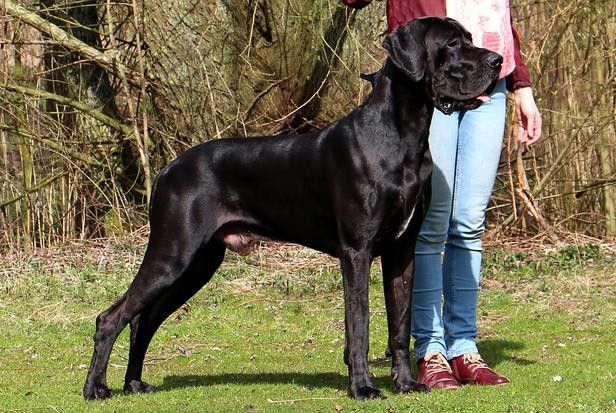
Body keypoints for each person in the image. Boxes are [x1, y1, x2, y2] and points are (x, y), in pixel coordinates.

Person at [341, 0, 542, 389]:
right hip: (433, 79)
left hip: (491, 82)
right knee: (431, 225)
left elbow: (501, 15)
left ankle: (464, 347)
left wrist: (522, 84)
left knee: (469, 223)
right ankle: (429, 350)